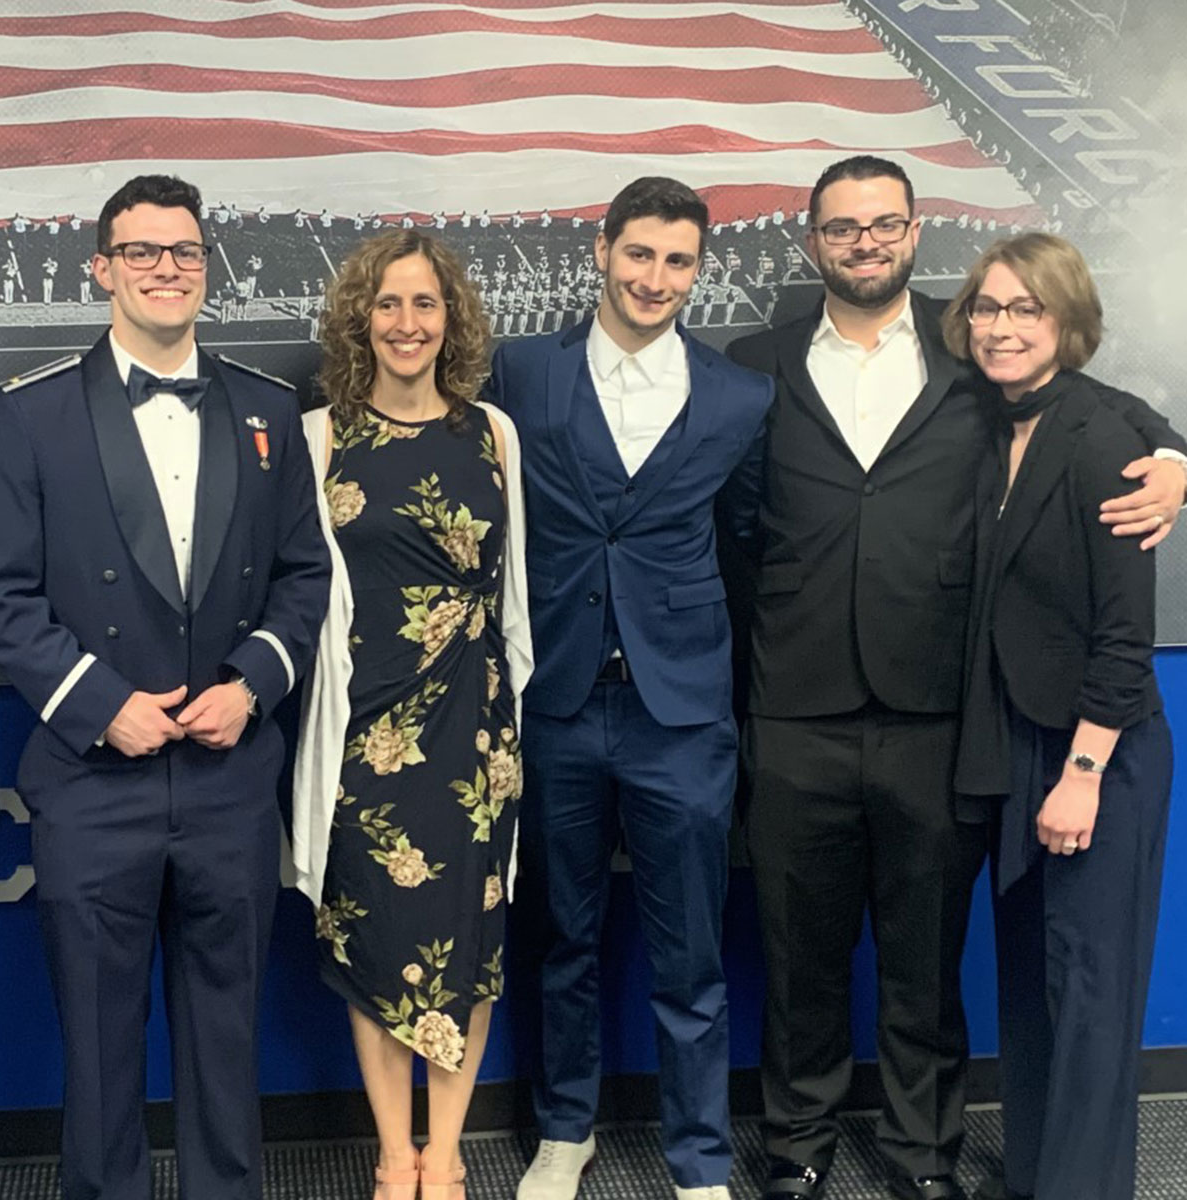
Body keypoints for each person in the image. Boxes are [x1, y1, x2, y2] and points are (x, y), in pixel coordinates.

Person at [725, 156, 1185, 1200]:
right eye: (842, 228)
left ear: (913, 231)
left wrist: (1177, 453)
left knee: (925, 957)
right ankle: (795, 1144)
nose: (865, 242)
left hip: (940, 712)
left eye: (884, 224)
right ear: (812, 241)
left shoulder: (969, 344)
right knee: (797, 952)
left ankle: (923, 1153)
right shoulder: (754, 363)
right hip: (793, 708)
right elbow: (733, 530)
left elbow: (1089, 397)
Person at [0, 174, 330, 1200]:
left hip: (227, 778)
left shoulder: (267, 411)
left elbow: (307, 573)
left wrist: (253, 683)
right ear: (102, 269)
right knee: (96, 1045)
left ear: (205, 267)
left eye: (184, 252)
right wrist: (100, 704)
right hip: (92, 780)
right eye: (142, 252)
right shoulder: (28, 416)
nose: (165, 269)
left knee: (227, 1044)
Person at [493, 177, 772, 1200]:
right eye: (640, 254)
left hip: (683, 713)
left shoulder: (740, 395)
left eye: (679, 261)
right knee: (561, 936)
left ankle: (699, 1159)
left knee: (690, 952)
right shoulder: (519, 371)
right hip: (558, 701)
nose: (656, 278)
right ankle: (565, 1130)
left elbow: (748, 537)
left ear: (698, 270)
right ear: (602, 249)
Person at [292, 230, 532, 1199]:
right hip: (364, 735)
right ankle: (396, 1155)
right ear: (362, 319)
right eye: (388, 305)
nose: (406, 323)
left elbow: (515, 593)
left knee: (468, 944)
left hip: (474, 736)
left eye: (424, 304)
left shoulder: (493, 433)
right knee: (376, 936)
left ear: (450, 319)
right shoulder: (320, 436)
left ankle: (447, 1153)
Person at [948, 234, 1174, 1200]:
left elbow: (1126, 637)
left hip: (1098, 753)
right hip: (1014, 741)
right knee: (1033, 989)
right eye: (989, 309)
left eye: (1025, 310)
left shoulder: (1104, 442)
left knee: (1089, 995)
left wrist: (1082, 774)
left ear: (1066, 321)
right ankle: (1036, 1177)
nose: (1002, 327)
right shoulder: (990, 419)